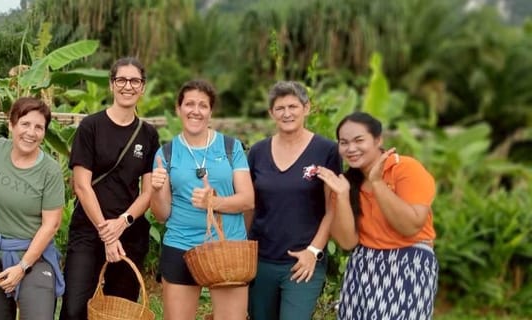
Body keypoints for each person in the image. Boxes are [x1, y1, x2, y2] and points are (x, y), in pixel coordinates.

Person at [59, 57, 160, 319]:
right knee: (74, 307)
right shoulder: (91, 127)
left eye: (135, 80)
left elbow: (147, 191)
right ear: (111, 85)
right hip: (89, 230)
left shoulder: (148, 135)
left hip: (129, 231)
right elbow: (81, 186)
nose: (128, 86)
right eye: (122, 80)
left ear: (143, 87)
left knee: (120, 310)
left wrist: (123, 222)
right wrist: (108, 233)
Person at [314, 111, 438, 319]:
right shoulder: (344, 184)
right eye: (344, 142)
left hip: (410, 263)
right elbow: (347, 242)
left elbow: (411, 226)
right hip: (364, 265)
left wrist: (378, 183)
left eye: (359, 140)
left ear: (378, 140)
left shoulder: (405, 169)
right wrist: (342, 196)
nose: (351, 148)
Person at [150, 79, 255, 319]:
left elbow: (248, 200)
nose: (195, 111)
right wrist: (156, 190)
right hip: (181, 246)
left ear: (210, 111)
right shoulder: (166, 153)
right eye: (189, 104)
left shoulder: (231, 147)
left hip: (227, 247)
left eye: (202, 105)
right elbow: (161, 214)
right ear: (178, 109)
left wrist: (215, 203)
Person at [0, 97, 65, 319]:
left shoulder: (50, 171)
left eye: (39, 127)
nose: (31, 132)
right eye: (25, 124)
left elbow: (51, 225)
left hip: (32, 256)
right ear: (11, 124)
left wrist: (22, 267)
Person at [246, 81, 341, 320]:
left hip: (303, 262)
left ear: (306, 108)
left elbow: (333, 208)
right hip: (261, 260)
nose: (287, 113)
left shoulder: (326, 150)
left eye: (293, 106)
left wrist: (313, 251)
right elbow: (250, 204)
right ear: (271, 113)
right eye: (280, 108)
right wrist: (244, 248)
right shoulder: (257, 152)